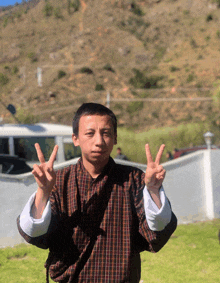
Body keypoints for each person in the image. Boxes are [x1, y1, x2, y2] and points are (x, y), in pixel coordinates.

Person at [17, 102, 177, 283]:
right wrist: (43, 191)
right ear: (75, 138)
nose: (99, 141)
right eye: (90, 133)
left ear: (115, 138)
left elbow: (157, 230)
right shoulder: (59, 181)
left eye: (106, 133)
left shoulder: (134, 180)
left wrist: (154, 190)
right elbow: (35, 232)